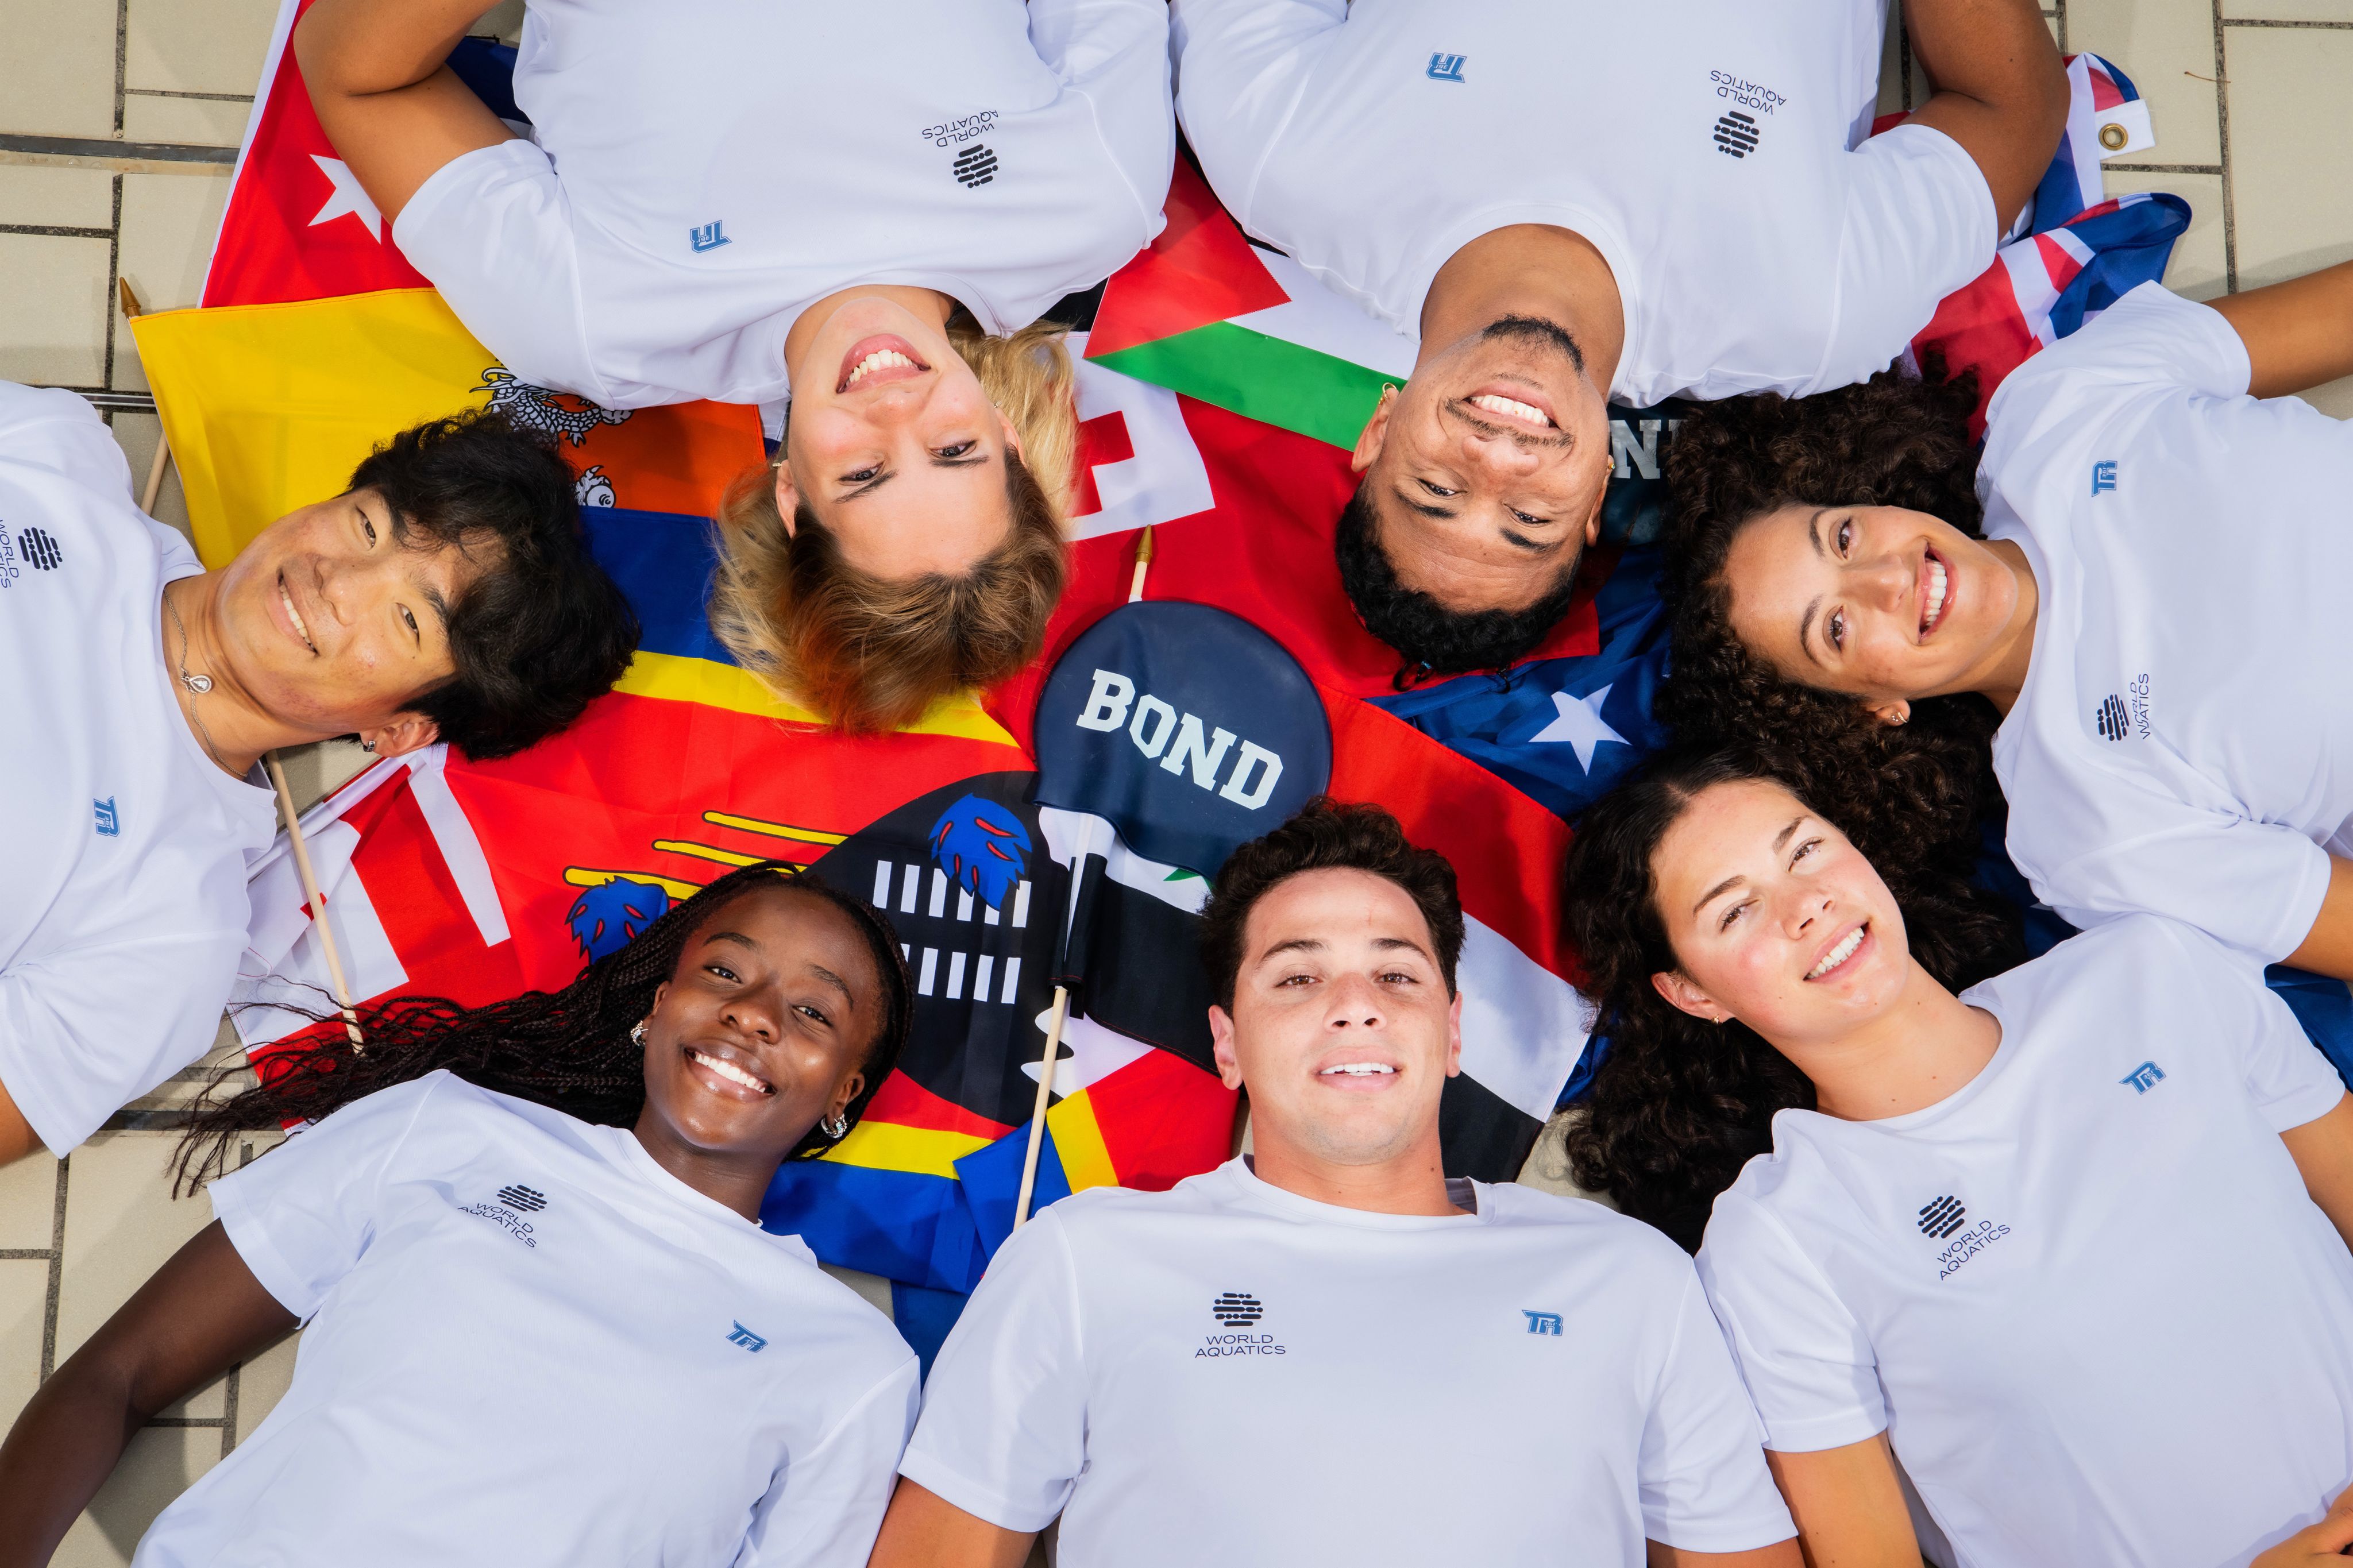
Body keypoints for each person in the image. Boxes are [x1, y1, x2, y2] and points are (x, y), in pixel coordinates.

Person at [866, 799, 1800, 1567]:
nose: (1354, 1006)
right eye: (1297, 977)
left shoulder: (1633, 1277)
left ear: (1454, 1033)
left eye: (1396, 975)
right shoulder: (1081, 1261)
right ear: (1226, 1044)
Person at [1561, 746, 2353, 1564]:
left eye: (1805, 849)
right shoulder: (1778, 1240)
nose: (1807, 905)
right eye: (1735, 911)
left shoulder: (2154, 969)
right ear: (1694, 992)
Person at [0, 863, 918, 1568]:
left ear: (844, 1091)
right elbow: (117, 1375)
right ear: (659, 1004)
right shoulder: (444, 1126)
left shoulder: (849, 1367)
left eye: (810, 1011)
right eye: (725, 970)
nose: (753, 1015)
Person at [296, 0, 1175, 732]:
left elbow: (356, 75)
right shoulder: (1097, 199)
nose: (897, 409)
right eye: (955, 452)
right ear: (1012, 443)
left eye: (866, 474)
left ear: (793, 497)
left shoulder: (595, 323)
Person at [1168, 0, 2065, 678]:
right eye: (1530, 519)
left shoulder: (1280, 161)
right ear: (1599, 489)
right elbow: (2008, 110)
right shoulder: (1807, 314)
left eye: (1437, 488)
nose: (1499, 461)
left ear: (1377, 431)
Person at [1660, 259, 2353, 984]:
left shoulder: (2058, 406)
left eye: (1842, 538)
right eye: (1834, 628)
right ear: (1870, 709)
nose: (1888, 580)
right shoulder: (2086, 824)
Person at [0, 385, 635, 1171]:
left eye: (408, 618)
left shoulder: (170, 929)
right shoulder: (57, 452)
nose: (336, 579)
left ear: (400, 729)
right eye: (369, 526)